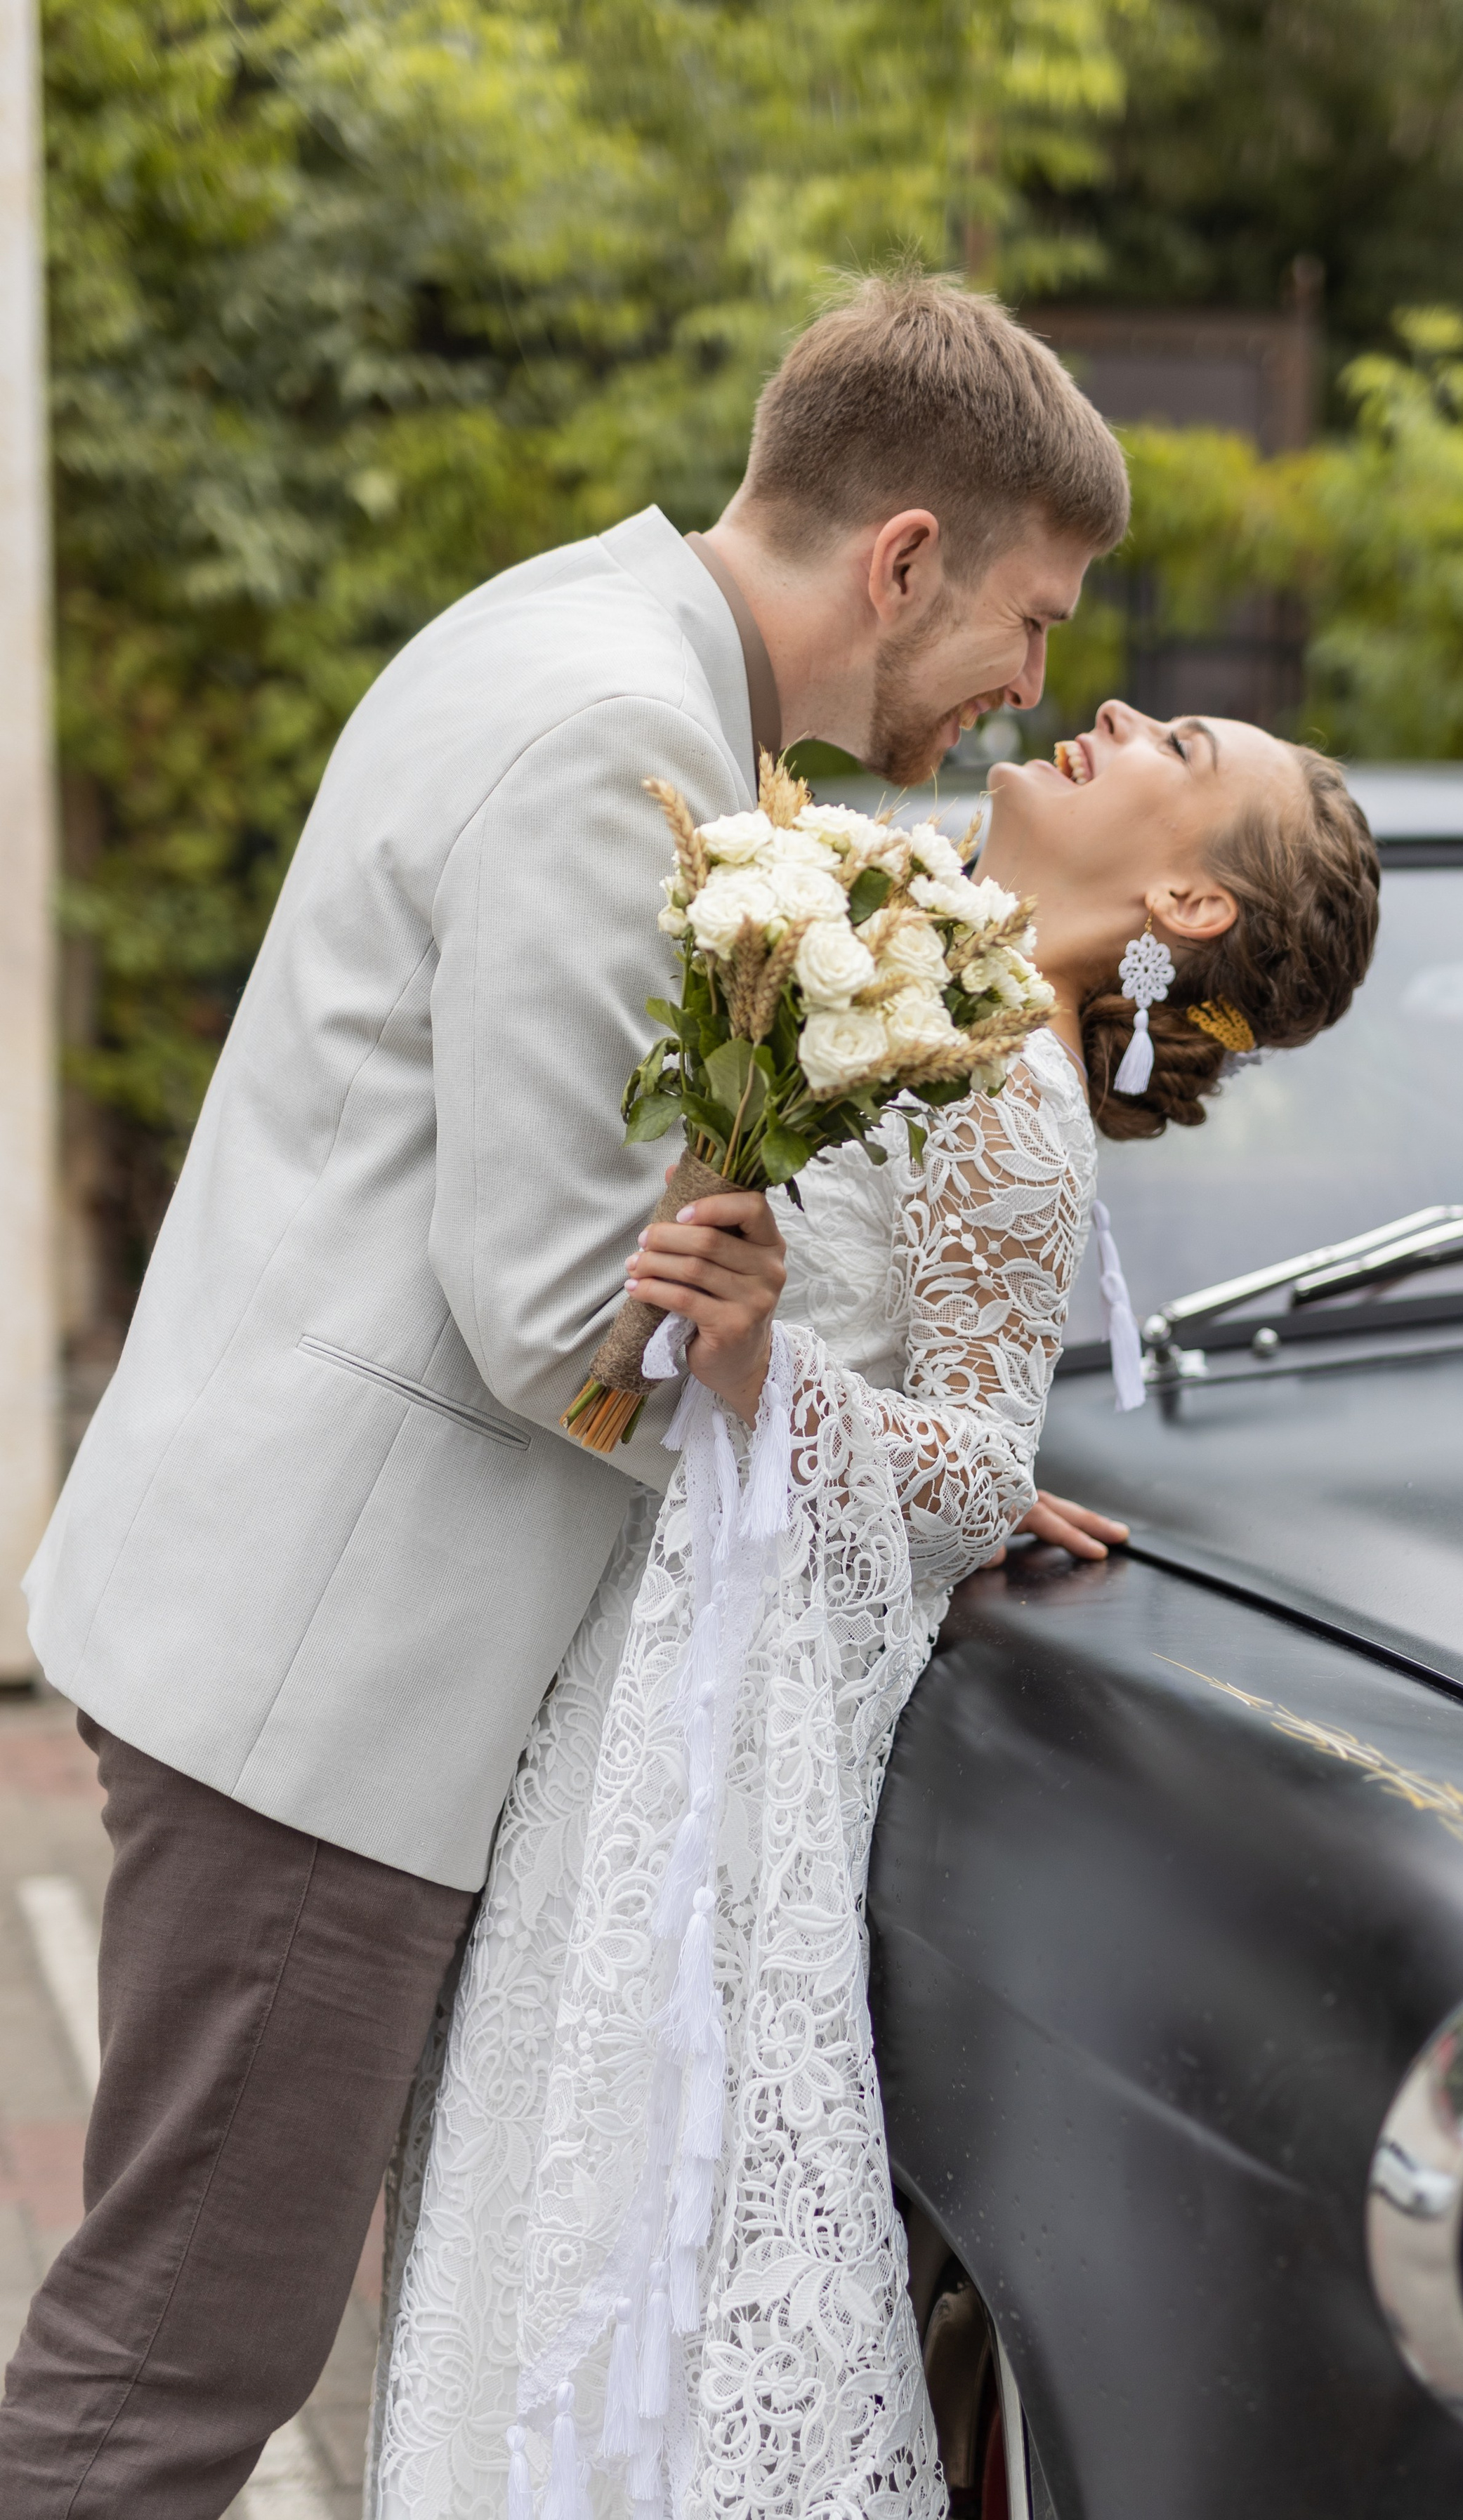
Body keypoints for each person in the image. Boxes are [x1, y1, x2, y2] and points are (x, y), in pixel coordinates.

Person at [0, 274, 1133, 2516]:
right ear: (906, 557)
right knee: (172, 2369)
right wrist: (844, 1445)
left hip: (280, 1613)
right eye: (1029, 620)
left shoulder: (584, 636)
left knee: (185, 2340)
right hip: (328, 1684)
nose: (1030, 686)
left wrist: (868, 1449)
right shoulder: (617, 741)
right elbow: (556, 1321)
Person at [367, 700, 1381, 2516]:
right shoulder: (928, 993)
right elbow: (957, 1430)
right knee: (557, 2150)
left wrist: (767, 1370)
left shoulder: (1020, 1098)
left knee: (641, 2182)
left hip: (738, 1699)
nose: (1114, 711)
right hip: (653, 1634)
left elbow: (976, 1464)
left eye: (1179, 745)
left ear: (1188, 903)